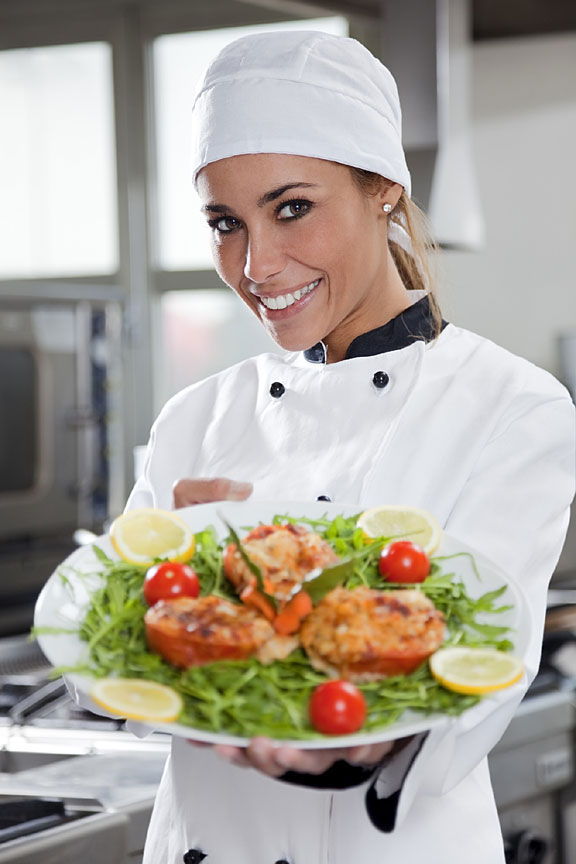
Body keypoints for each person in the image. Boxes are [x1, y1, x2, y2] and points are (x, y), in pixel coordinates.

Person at [127, 30, 575, 864]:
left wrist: (260, 573)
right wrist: (166, 586)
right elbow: (99, 664)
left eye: (292, 207)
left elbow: (477, 667)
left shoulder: (511, 406)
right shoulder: (193, 416)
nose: (256, 263)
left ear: (383, 191)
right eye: (226, 222)